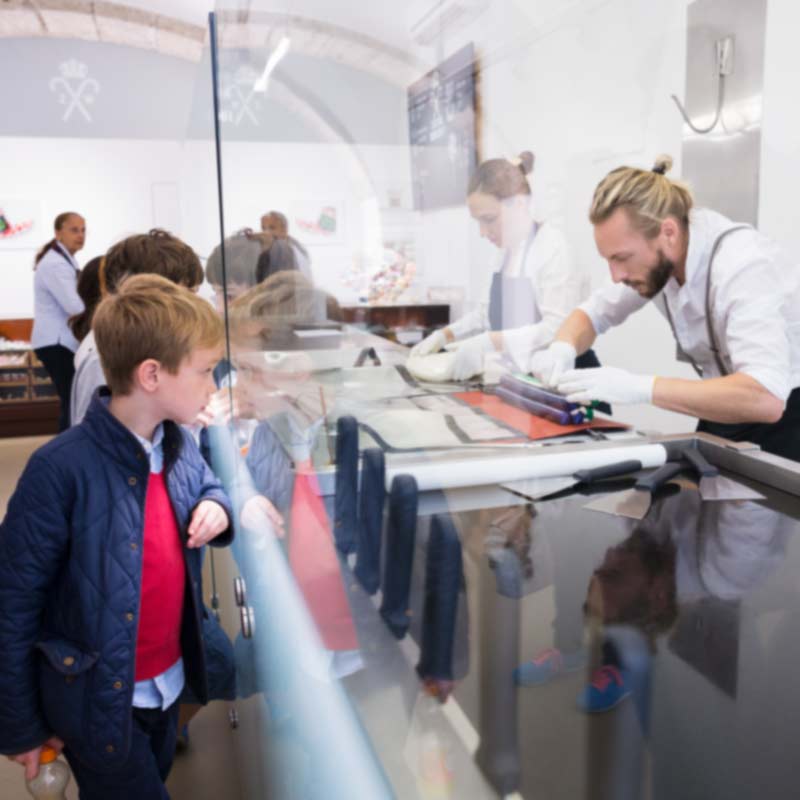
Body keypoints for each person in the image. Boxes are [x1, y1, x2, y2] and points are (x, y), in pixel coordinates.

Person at [0, 274, 234, 799]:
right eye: (204, 371)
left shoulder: (177, 445)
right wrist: (19, 725)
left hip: (167, 686)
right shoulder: (59, 470)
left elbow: (208, 484)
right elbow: (12, 602)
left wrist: (217, 505)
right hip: (97, 702)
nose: (213, 386)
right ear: (152, 374)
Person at [531, 155, 800, 461]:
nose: (616, 275)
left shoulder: (742, 265)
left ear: (668, 232)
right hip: (725, 409)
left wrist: (641, 387)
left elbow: (765, 397)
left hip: (786, 419)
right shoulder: (656, 262)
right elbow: (592, 313)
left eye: (621, 258)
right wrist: (562, 348)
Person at [410, 152, 600, 382]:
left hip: (564, 384)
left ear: (519, 204)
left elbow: (556, 329)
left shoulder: (553, 249)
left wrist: (488, 342)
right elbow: (484, 315)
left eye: (489, 219)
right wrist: (445, 335)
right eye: (478, 222)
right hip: (523, 381)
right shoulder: (504, 253)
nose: (483, 232)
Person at [70, 229, 204, 426]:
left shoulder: (148, 342)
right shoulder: (104, 357)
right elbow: (94, 438)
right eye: (182, 297)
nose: (192, 306)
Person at [30, 211, 86, 430]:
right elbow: (75, 307)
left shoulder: (65, 260)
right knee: (72, 401)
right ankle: (67, 454)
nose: (80, 235)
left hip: (59, 341)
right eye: (74, 230)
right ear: (58, 233)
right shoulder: (55, 264)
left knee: (71, 399)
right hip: (57, 342)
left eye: (83, 230)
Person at [261, 210, 312, 281]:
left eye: (272, 228)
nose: (266, 232)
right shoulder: (264, 248)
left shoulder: (295, 250)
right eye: (263, 228)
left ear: (284, 229)